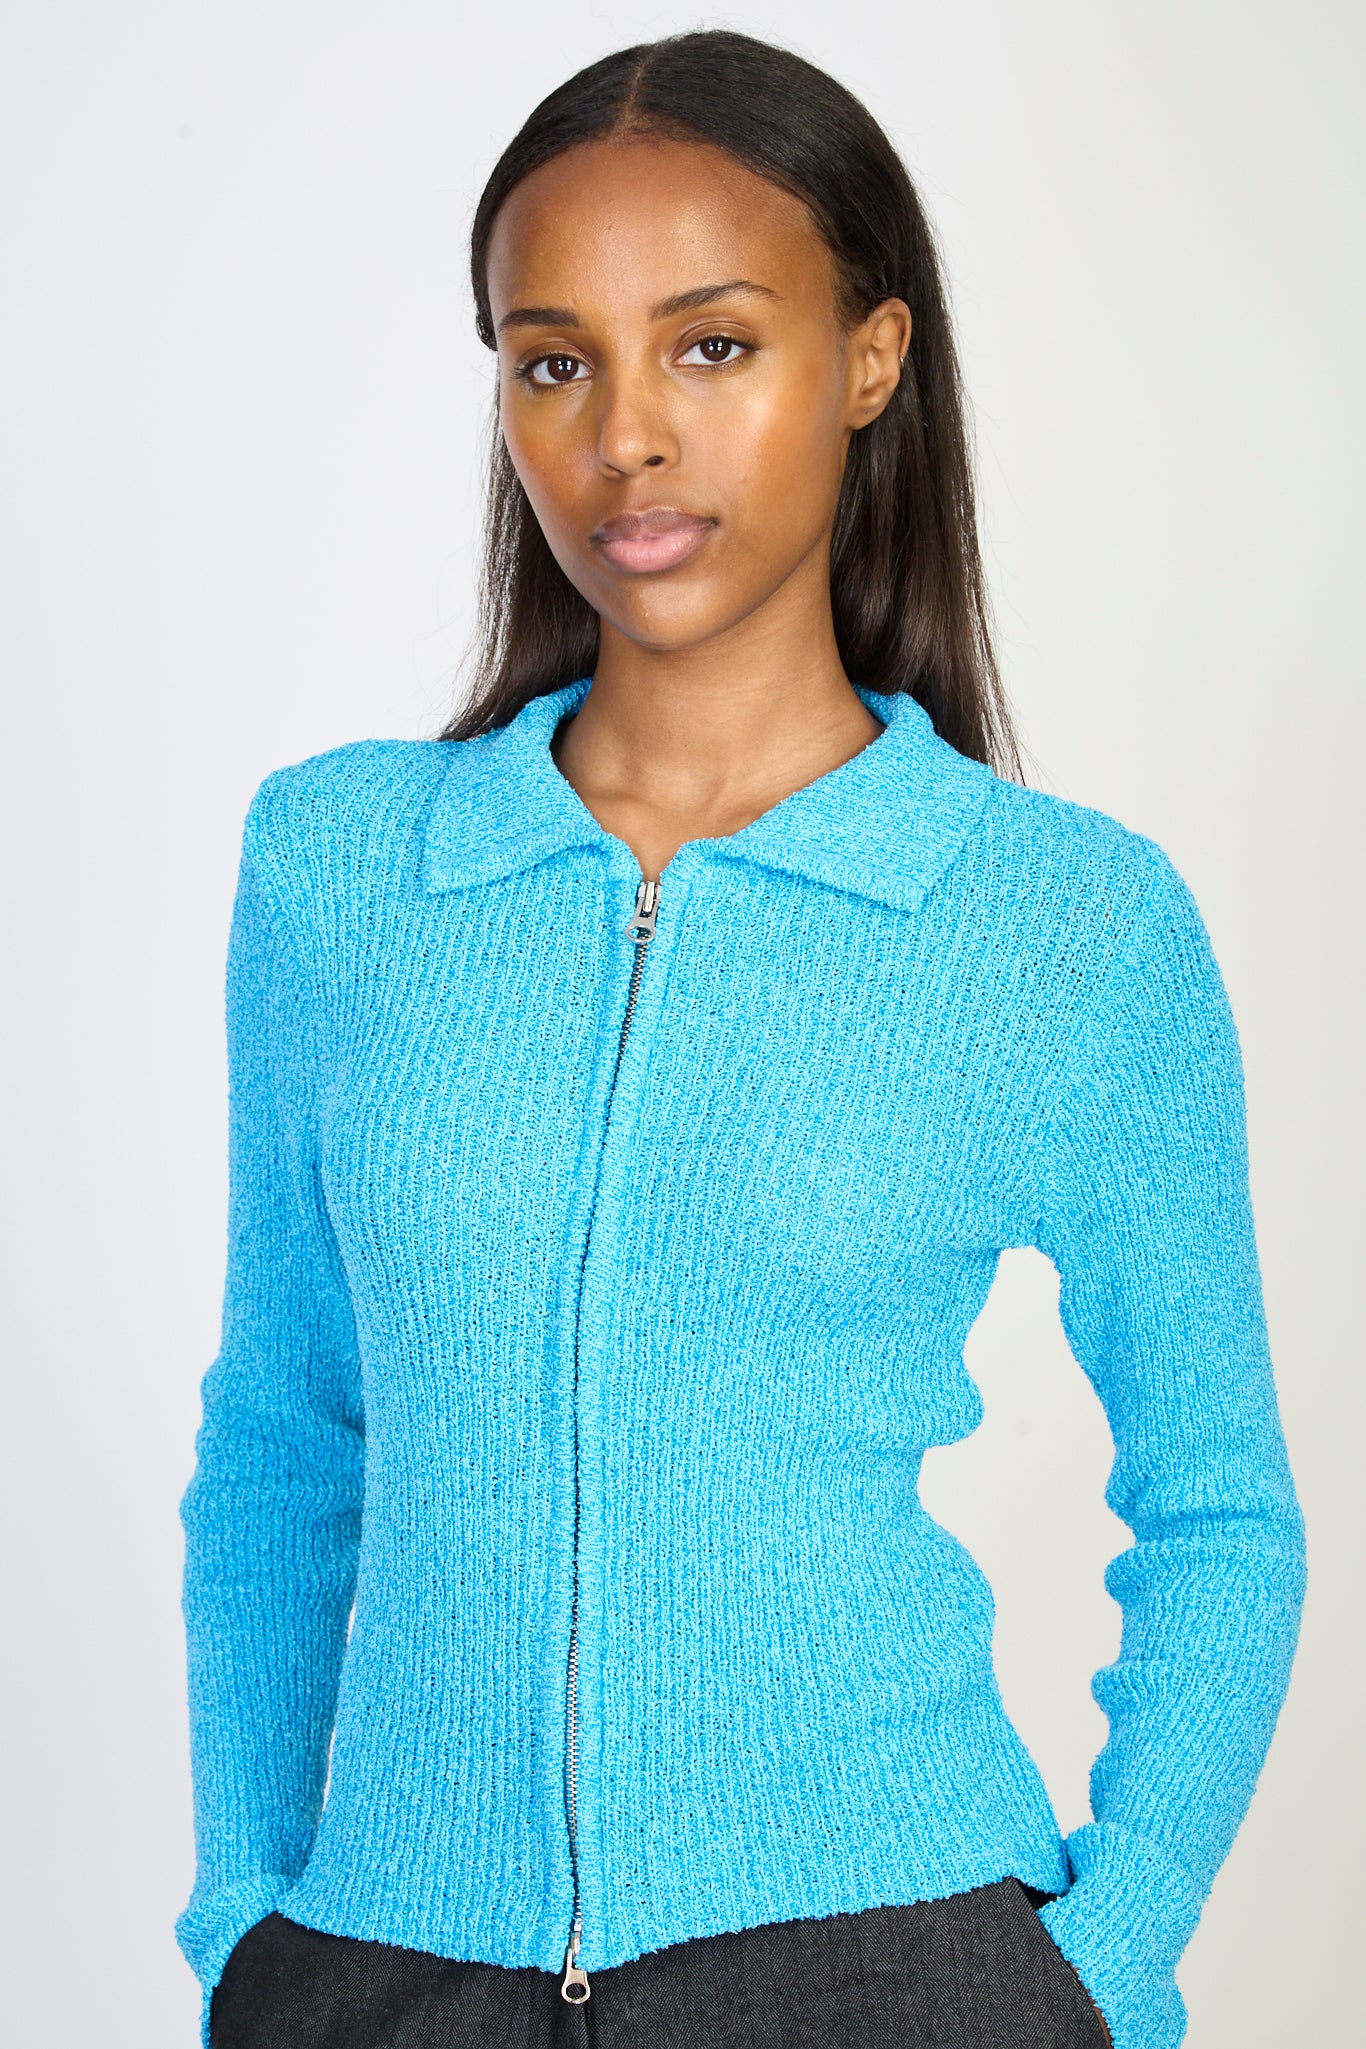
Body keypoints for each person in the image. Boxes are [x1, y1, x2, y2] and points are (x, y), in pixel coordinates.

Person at [174, 28, 1306, 2049]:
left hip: (881, 1958)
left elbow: (1220, 1505)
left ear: (867, 359)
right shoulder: (346, 868)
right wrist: (251, 1925)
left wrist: (1097, 1963)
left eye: (710, 345)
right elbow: (284, 1434)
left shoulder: (1058, 920)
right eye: (553, 361)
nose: (625, 434)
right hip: (381, 1965)